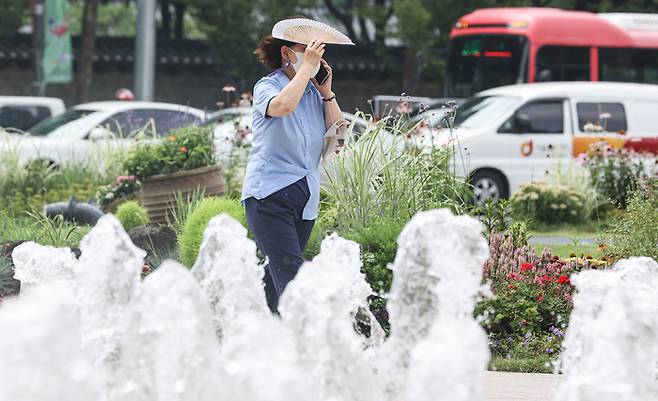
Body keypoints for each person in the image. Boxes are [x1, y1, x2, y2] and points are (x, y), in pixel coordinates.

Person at [242, 27, 343, 313]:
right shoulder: (268, 87)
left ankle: (252, 336)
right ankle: (308, 350)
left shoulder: (313, 93)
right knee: (295, 282)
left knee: (274, 288)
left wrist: (327, 93)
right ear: (287, 53)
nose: (314, 58)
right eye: (307, 51)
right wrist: (305, 71)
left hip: (305, 203)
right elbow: (283, 106)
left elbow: (338, 140)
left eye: (318, 53)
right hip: (269, 199)